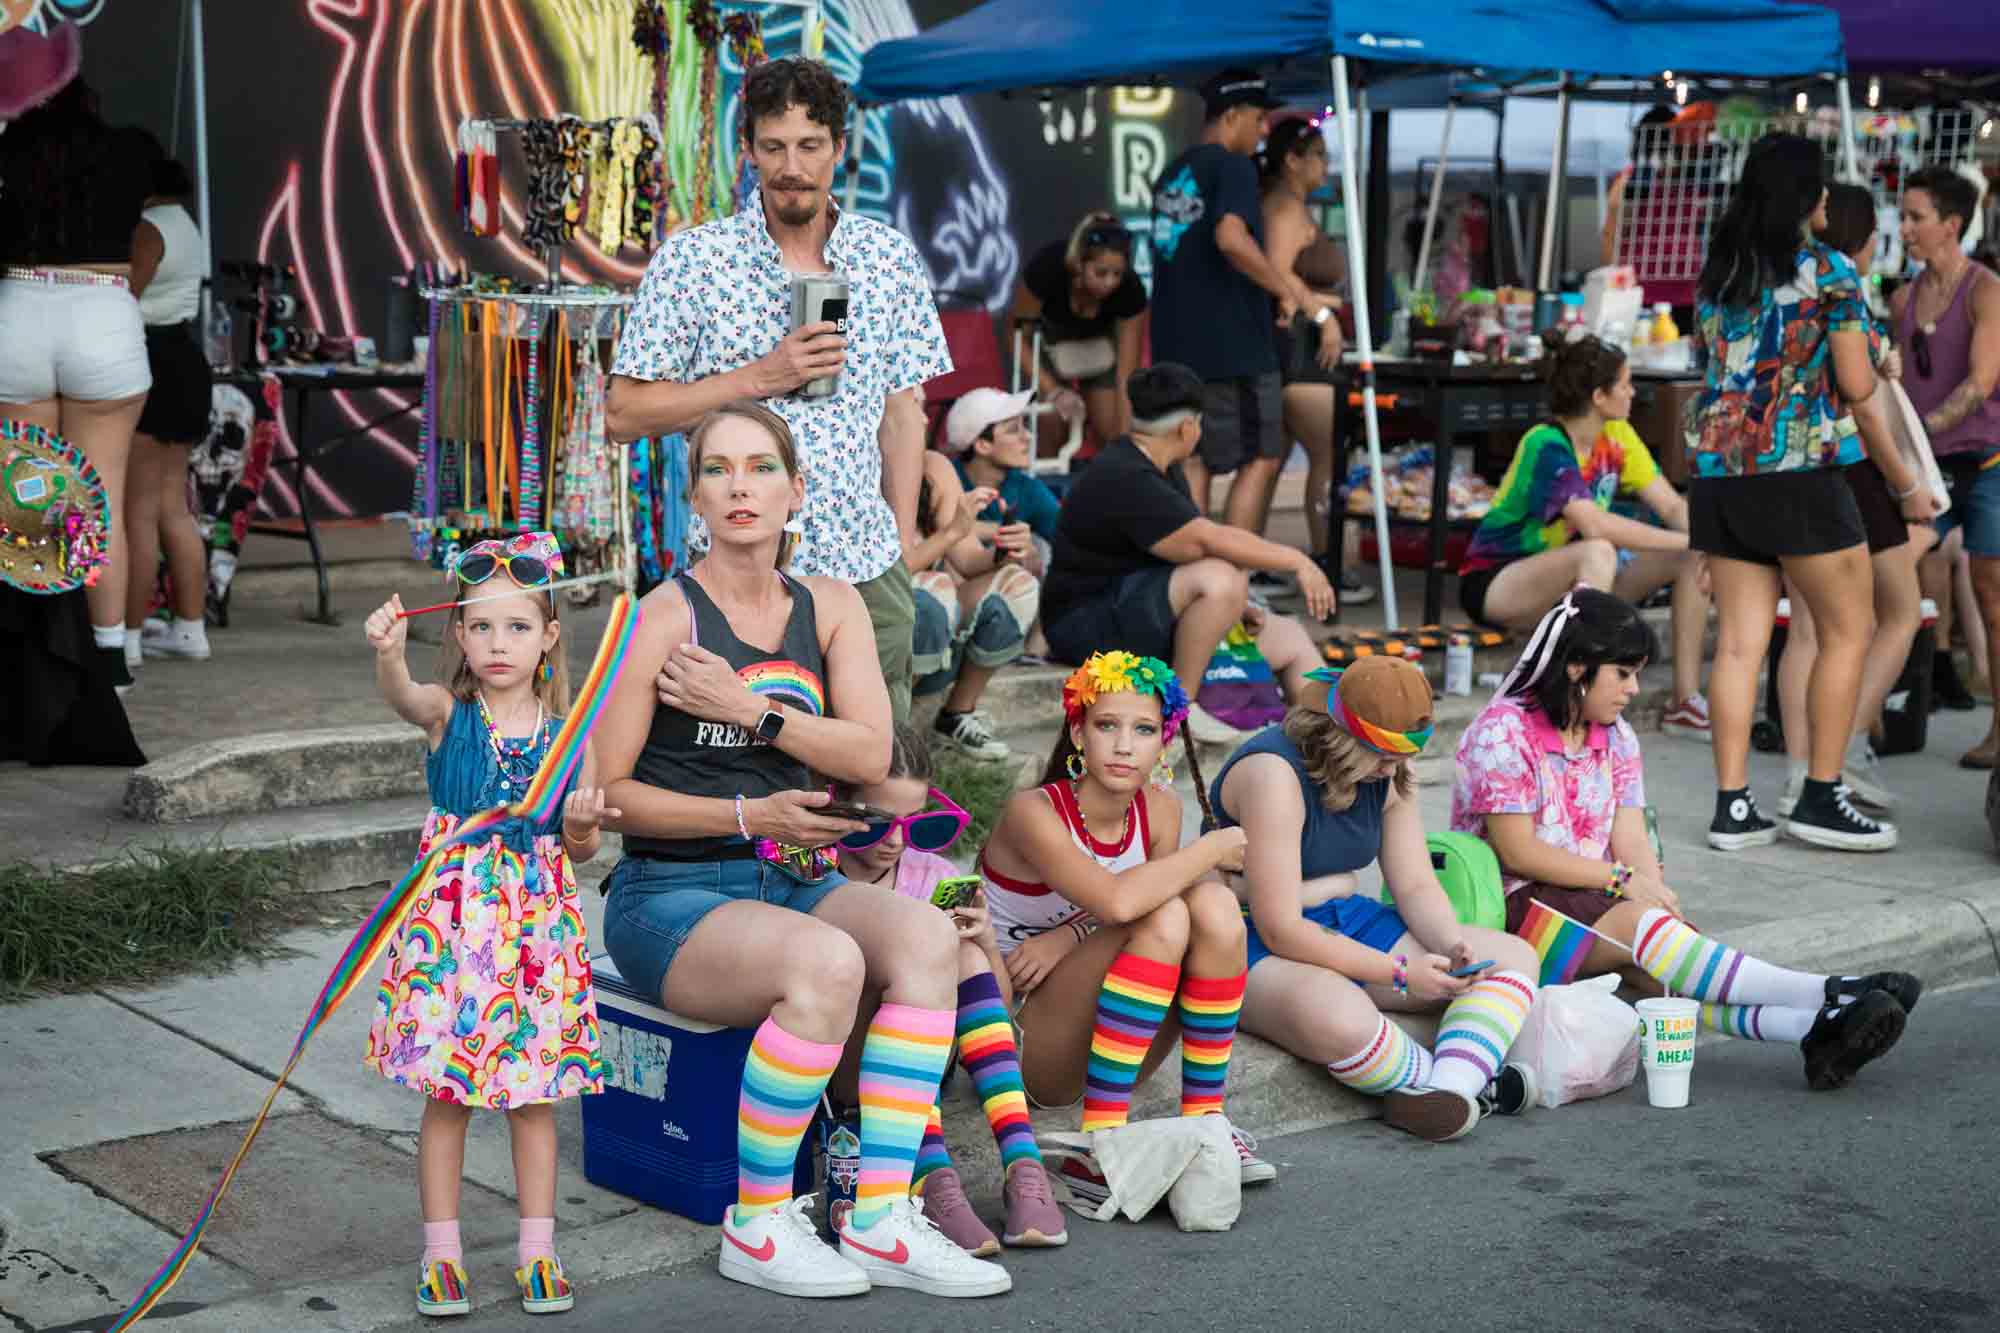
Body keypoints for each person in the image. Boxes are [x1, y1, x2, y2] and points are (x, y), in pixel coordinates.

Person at [593, 401, 1010, 1300]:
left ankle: (881, 1217)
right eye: (718, 469)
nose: (740, 486)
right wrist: (752, 815)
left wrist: (750, 711)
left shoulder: (830, 604)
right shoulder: (661, 617)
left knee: (931, 939)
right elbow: (608, 793)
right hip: (671, 895)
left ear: (798, 490)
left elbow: (870, 750)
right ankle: (758, 1220)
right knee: (827, 962)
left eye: (761, 467)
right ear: (693, 496)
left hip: (789, 879)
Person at [1452, 588, 1921, 1091]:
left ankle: (1812, 1031)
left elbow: (1629, 834)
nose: (1634, 689)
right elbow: (1518, 852)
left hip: (1590, 898)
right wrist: (1627, 886)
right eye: (1623, 673)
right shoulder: (1504, 731)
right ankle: (1831, 991)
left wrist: (1656, 897)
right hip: (1516, 909)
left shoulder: (1615, 734)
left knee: (1664, 975)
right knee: (1649, 936)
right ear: (1576, 668)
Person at [606, 57, 950, 727]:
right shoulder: (696, 260)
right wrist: (761, 377)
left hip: (866, 563)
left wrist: (904, 541)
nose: (792, 165)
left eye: (810, 145)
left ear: (839, 149)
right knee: (746, 770)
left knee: (874, 783)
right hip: (738, 570)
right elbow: (624, 413)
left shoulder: (886, 257)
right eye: (774, 146)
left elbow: (904, 412)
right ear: (748, 151)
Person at [359, 532, 611, 1319]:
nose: (499, 643)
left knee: (534, 1099)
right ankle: (442, 1256)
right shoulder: (448, 713)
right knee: (449, 1094)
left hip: (535, 937)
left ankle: (538, 1251)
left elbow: (586, 844)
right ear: (460, 638)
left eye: (517, 627)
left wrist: (577, 825)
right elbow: (402, 694)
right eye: (482, 627)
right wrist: (389, 654)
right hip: (453, 933)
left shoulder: (573, 734)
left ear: (548, 637)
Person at [1684, 133, 1936, 853]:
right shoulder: (1828, 270)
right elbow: (1857, 388)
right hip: (1801, 469)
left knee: (1738, 645)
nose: (1828, 198)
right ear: (1805, 198)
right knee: (1849, 629)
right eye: (1822, 188)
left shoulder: (1720, 272)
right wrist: (1904, 477)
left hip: (1721, 475)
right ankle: (1820, 794)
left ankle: (1733, 808)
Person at [974, 651, 1273, 1200]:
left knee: (1214, 908)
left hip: (1123, 1037)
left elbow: (1140, 902)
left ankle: (1207, 1123)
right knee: (1168, 908)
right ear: (1078, 732)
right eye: (1106, 725)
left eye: (1144, 730)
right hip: (1026, 1047)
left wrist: (1068, 934)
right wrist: (1211, 849)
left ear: (1165, 742)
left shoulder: (1160, 809)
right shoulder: (1032, 812)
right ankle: (1100, 1144)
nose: (1123, 744)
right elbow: (1117, 904)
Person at [1212, 655, 1541, 1143]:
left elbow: (1414, 885)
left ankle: (1444, 1091)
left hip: (1339, 918)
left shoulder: (1389, 771)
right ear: (1341, 741)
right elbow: (1281, 926)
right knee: (1339, 1017)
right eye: (1384, 758)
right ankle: (1470, 1083)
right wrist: (1399, 974)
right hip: (1250, 934)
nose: (1394, 770)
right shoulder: (1275, 775)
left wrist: (1451, 947)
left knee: (1511, 957)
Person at [831, 723, 1068, 1256]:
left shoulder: (930, 873)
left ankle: (1022, 1163)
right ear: (836, 804)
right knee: (913, 962)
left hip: (929, 1055)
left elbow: (999, 1009)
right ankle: (932, 1179)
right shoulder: (811, 867)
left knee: (957, 950)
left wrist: (984, 938)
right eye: (874, 823)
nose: (894, 842)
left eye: (915, 824)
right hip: (847, 1064)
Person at [1041, 363, 1332, 747]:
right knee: (1220, 576)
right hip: (1085, 625)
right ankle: (1180, 709)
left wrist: (1235, 608)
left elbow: (1183, 550)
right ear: (1187, 428)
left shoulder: (1163, 467)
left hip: (1140, 617)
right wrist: (1299, 561)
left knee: (1291, 637)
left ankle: (1329, 741)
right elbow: (1206, 541)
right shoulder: (1124, 473)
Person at [1775, 185, 1939, 813]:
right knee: (1896, 611)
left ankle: (1803, 772)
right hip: (1855, 468)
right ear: (1862, 239)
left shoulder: (1782, 283)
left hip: (1792, 469)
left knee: (1808, 632)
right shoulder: (1843, 290)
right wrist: (1907, 485)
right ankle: (1840, 753)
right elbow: (1864, 403)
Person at [1458, 334, 1710, 736]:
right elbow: (1594, 524)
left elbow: (1671, 506)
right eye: (1625, 384)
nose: (1633, 392)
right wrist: (1688, 539)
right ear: (1598, 395)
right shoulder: (1546, 443)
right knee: (1599, 550)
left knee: (1691, 558)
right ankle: (1570, 689)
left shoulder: (1618, 436)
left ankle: (1686, 702)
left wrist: (1708, 539)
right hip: (1498, 582)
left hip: (1575, 582)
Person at [0, 45, 156, 694]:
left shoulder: (10, 154)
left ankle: (33, 664)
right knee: (102, 499)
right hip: (102, 312)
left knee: (27, 497)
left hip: (21, 311)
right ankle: (111, 657)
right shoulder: (133, 149)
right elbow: (149, 227)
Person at [1150, 68, 1328, 526]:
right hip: (1233, 349)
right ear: (1232, 116)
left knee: (1192, 459)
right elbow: (1231, 238)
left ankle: (1195, 577)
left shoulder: (1173, 171)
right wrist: (1289, 291)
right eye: (1259, 118)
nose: (1264, 130)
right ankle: (1234, 578)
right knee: (1262, 458)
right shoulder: (1232, 167)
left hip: (1175, 343)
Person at [1895, 166, 2000, 769]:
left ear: (1951, 225)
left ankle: (1998, 728)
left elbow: (1980, 383)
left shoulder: (1986, 291)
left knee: (1991, 595)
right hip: (1925, 470)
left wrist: (1917, 432)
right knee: (1886, 571)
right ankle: (1877, 717)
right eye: (1904, 216)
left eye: (1916, 217)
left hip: (1986, 462)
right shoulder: (1904, 299)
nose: (1905, 228)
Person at [1258, 117, 1372, 605]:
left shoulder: (1292, 208)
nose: (1327, 164)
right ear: (1292, 160)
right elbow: (1277, 273)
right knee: (1328, 457)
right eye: (1320, 154)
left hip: (1298, 352)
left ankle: (1263, 563)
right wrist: (1323, 314)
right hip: (1302, 354)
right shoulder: (1283, 210)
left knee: (1273, 460)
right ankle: (1327, 560)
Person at [905, 406, 1042, 762]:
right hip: (873, 625)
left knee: (1016, 585)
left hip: (931, 631)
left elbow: (967, 560)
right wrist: (952, 531)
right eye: (910, 405)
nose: (923, 418)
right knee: (932, 591)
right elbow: (888, 575)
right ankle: (891, 727)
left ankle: (956, 714)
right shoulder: (849, 462)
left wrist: (1003, 551)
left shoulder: (933, 465)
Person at [125, 146, 214, 669]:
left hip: (151, 358)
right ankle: (190, 629)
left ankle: (128, 637)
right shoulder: (185, 223)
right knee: (172, 508)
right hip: (184, 359)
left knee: (138, 510)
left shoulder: (148, 228)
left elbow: (125, 293)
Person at [1007, 211, 1148, 451]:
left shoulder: (1131, 291)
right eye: (1101, 273)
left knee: (1113, 428)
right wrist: (1053, 390)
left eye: (1118, 274)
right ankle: (1045, 485)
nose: (1110, 283)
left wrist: (1126, 447)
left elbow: (1127, 372)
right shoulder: (1047, 269)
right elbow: (1016, 339)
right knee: (1053, 421)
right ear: (1079, 264)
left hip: (1100, 349)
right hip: (1049, 345)